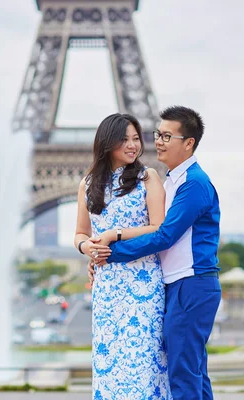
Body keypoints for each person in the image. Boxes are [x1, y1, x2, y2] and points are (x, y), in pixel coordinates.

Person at [88, 106, 221, 400]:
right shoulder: (173, 180)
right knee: (192, 370)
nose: (158, 141)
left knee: (184, 373)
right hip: (179, 283)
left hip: (192, 282)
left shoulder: (193, 184)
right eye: (158, 134)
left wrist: (109, 251)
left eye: (167, 136)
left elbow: (164, 235)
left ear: (189, 143)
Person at [74, 113, 171, 399]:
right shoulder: (87, 184)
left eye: (136, 139)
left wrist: (115, 234)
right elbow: (79, 234)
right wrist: (87, 248)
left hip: (143, 284)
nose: (133, 146)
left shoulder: (147, 177)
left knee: (144, 363)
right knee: (109, 364)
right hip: (107, 287)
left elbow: (159, 228)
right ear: (107, 143)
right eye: (124, 140)